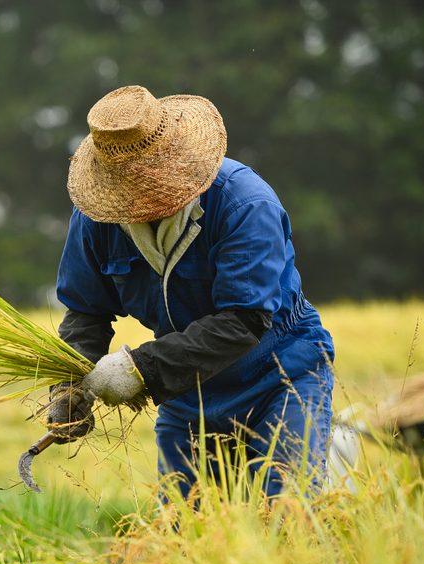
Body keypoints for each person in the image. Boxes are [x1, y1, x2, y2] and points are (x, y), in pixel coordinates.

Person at [47, 85, 335, 500]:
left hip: (279, 377)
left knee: (286, 514)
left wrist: (139, 369)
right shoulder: (98, 218)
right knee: (187, 531)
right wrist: (68, 386)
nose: (139, 198)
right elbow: (85, 312)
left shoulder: (244, 205)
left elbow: (243, 320)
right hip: (188, 394)